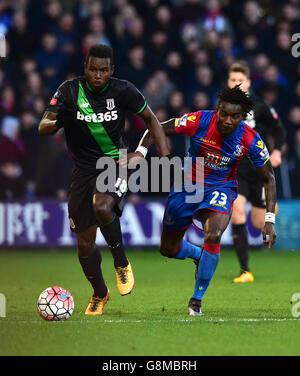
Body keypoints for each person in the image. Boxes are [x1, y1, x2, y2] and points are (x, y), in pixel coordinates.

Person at [38, 44, 169, 315]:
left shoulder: (123, 90)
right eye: (93, 69)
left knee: (102, 206)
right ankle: (100, 293)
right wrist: (58, 120)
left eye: (103, 70)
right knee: (85, 244)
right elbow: (43, 126)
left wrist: (156, 156)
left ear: (111, 71)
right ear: (85, 67)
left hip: (114, 161)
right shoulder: (69, 91)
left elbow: (151, 119)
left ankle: (121, 263)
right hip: (82, 170)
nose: (97, 75)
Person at [125, 85, 277, 315]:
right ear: (217, 109)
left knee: (213, 234)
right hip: (188, 186)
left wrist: (269, 219)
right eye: (223, 113)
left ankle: (197, 299)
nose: (227, 120)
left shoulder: (250, 139)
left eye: (234, 116)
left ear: (242, 117)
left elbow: (269, 178)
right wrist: (141, 152)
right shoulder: (199, 120)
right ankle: (198, 255)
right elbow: (157, 126)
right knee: (168, 249)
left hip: (221, 188)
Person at [227, 62, 285, 282]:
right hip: (237, 170)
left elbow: (278, 129)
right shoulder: (223, 110)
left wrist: (277, 151)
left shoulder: (260, 106)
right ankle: (245, 271)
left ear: (248, 83)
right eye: (232, 80)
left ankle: (271, 207)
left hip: (259, 171)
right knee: (237, 211)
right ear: (228, 82)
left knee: (259, 224)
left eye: (239, 80)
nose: (236, 83)